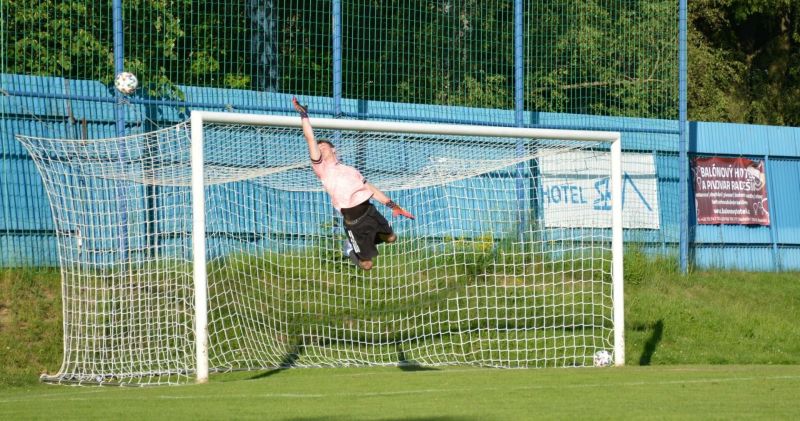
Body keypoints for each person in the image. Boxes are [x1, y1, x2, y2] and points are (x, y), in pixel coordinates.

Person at [292, 97, 414, 270]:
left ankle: (370, 239)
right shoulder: (322, 169)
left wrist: (393, 205)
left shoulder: (350, 170)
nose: (320, 148)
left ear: (333, 149)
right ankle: (350, 249)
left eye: (323, 146)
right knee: (366, 265)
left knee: (392, 238)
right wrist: (304, 115)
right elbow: (310, 138)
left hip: (369, 211)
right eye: (318, 148)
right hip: (353, 222)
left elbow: (370, 188)